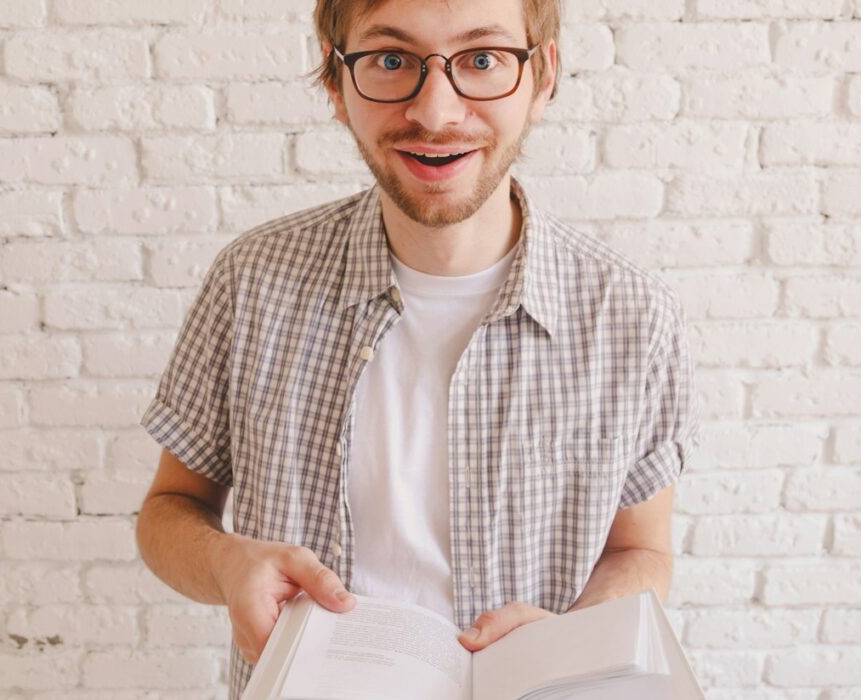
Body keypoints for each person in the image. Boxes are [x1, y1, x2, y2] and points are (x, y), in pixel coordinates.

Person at [134, 0, 696, 696]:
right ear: (336, 84)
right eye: (392, 60)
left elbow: (641, 549)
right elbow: (167, 510)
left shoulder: (632, 316)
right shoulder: (251, 283)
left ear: (543, 76)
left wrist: (570, 641)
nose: (435, 112)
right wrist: (225, 564)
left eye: (482, 60)